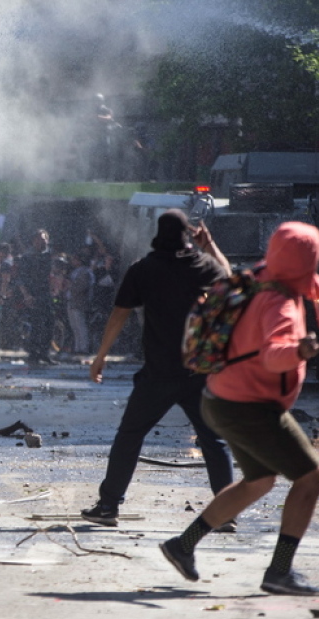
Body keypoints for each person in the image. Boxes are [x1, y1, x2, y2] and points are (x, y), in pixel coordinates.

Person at [160, 222, 319, 596]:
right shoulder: (281, 304)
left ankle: (181, 546)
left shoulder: (263, 275)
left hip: (220, 398)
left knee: (260, 480)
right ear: (308, 261)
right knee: (311, 477)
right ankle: (279, 572)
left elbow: (310, 282)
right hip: (249, 407)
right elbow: (273, 356)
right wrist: (299, 351)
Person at [81, 210, 235, 528]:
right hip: (198, 373)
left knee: (129, 436)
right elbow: (230, 280)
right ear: (186, 234)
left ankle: (109, 506)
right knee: (213, 441)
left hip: (158, 374)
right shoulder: (201, 265)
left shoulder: (144, 268)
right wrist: (210, 245)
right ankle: (226, 513)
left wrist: (100, 356)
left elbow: (119, 315)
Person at [15, 229, 55, 364]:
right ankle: (34, 354)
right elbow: (20, 279)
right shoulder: (28, 257)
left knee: (49, 323)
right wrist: (26, 295)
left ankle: (45, 353)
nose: (42, 242)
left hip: (46, 294)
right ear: (34, 241)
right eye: (39, 239)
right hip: (33, 294)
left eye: (44, 240)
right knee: (36, 324)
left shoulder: (49, 256)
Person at [65, 250, 95, 354]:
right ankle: (77, 347)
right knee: (74, 327)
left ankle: (84, 348)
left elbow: (81, 287)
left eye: (75, 259)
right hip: (72, 301)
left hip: (80, 302)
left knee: (81, 326)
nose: (73, 261)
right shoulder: (75, 271)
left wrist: (70, 285)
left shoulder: (85, 272)